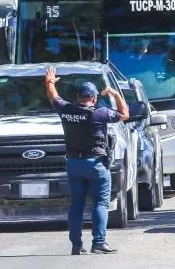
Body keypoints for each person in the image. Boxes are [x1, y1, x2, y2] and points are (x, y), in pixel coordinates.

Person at [44, 66, 129, 255]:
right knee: (101, 203)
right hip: (95, 164)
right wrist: (115, 94)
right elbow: (125, 114)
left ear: (77, 97)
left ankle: (76, 245)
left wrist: (49, 82)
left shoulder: (66, 109)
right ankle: (98, 242)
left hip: (74, 164)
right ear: (94, 99)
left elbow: (53, 97)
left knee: (76, 205)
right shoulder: (100, 113)